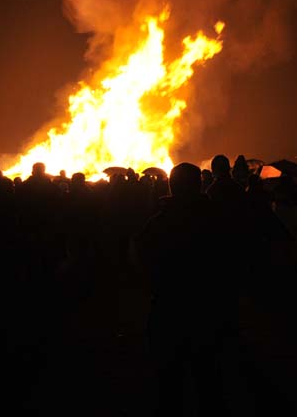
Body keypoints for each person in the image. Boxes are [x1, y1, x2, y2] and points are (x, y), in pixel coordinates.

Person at [129, 162, 233, 417]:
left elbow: (140, 264)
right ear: (199, 185)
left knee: (170, 384)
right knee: (208, 380)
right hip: (208, 313)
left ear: (171, 186)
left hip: (168, 312)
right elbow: (232, 263)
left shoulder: (157, 224)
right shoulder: (219, 221)